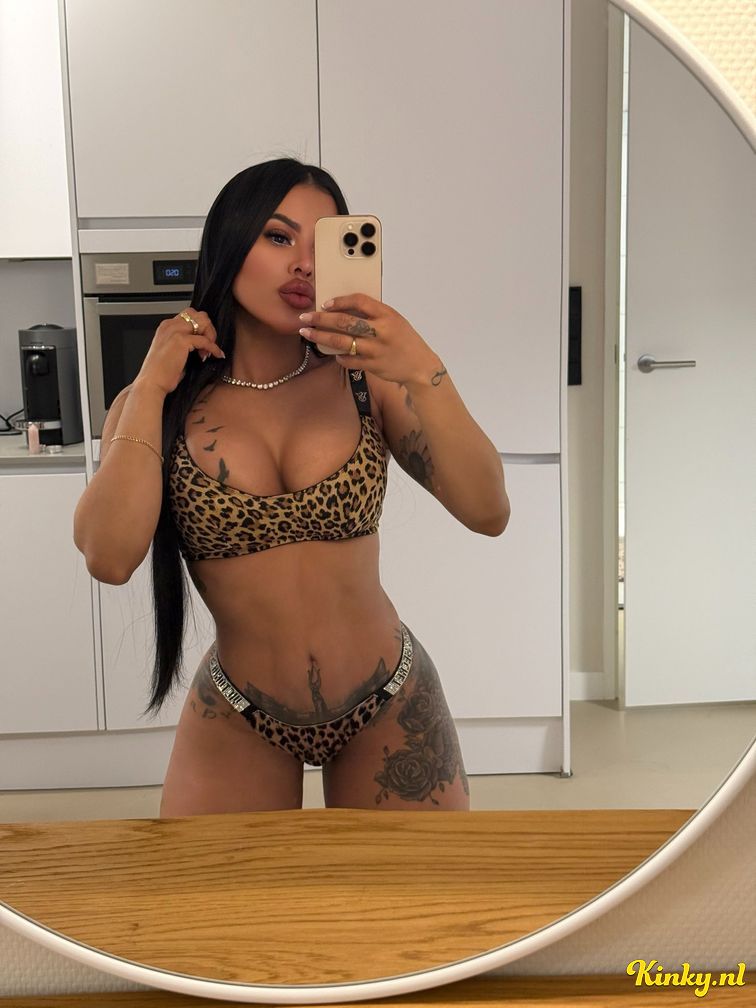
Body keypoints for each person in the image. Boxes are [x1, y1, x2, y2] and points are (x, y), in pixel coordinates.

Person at [74, 158, 510, 815]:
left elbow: (489, 511)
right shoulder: (155, 406)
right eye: (278, 237)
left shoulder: (367, 380)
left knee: (420, 886)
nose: (303, 264)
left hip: (389, 700)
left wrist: (422, 370)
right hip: (240, 712)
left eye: (322, 243)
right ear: (229, 244)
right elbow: (108, 557)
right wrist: (151, 386)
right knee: (214, 888)